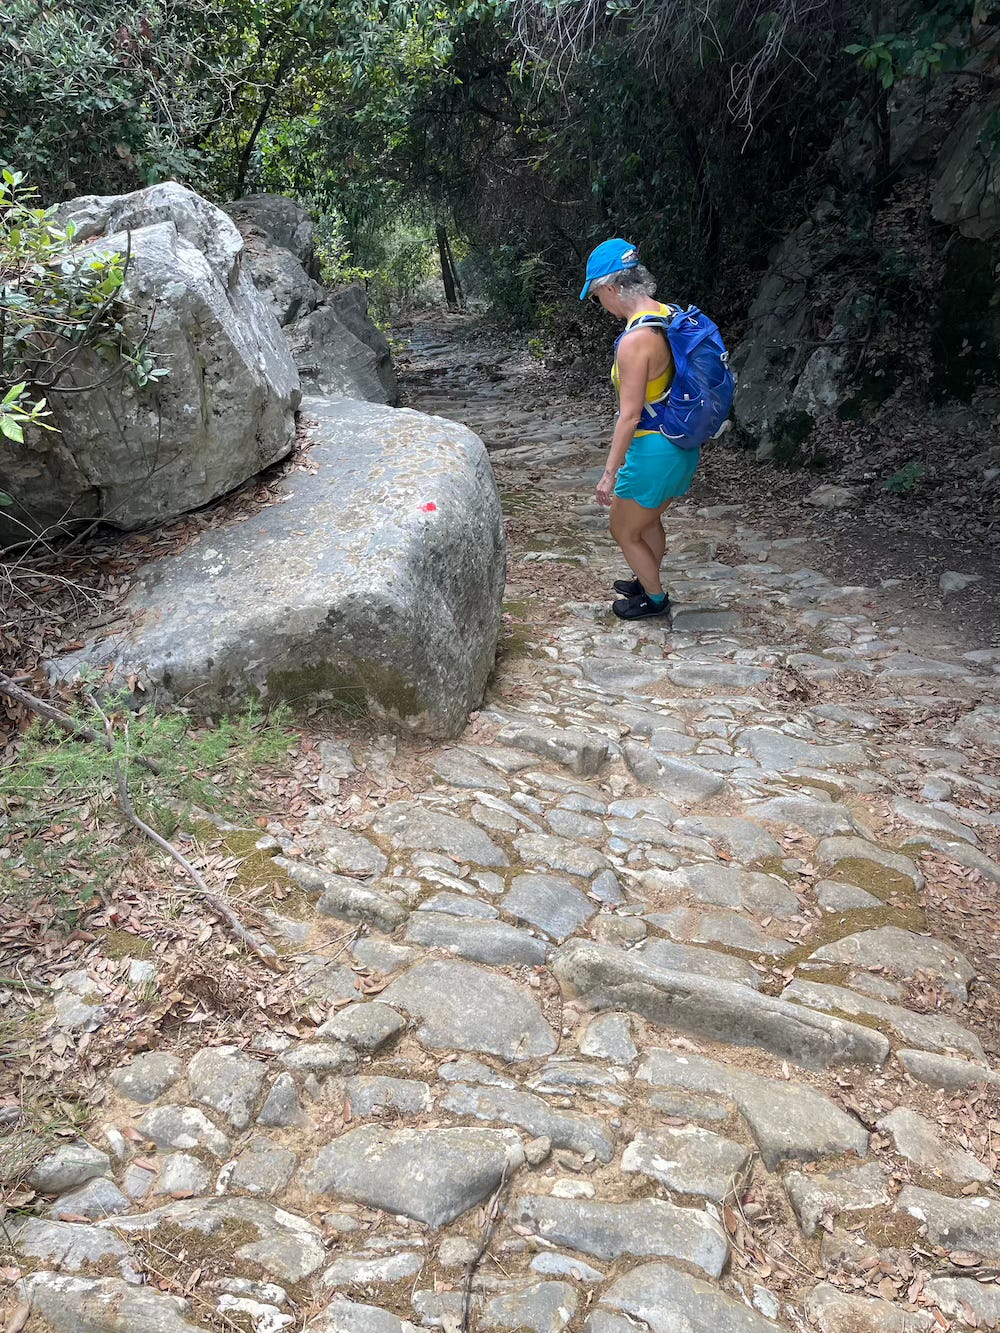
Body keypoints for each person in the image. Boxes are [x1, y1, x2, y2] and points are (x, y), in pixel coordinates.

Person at [580, 238, 699, 621]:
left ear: (612, 288)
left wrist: (609, 473)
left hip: (653, 451)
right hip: (681, 443)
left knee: (624, 530)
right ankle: (644, 575)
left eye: (598, 296)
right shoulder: (669, 315)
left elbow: (629, 416)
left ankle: (654, 599)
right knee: (647, 520)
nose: (602, 306)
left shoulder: (634, 341)